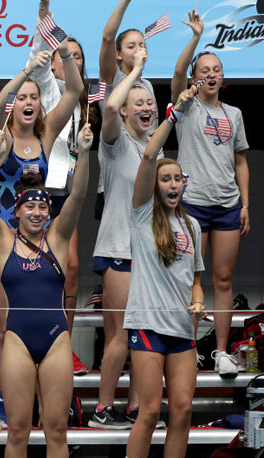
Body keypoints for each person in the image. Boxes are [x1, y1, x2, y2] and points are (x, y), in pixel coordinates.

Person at [0, 123, 94, 458]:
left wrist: (84, 154)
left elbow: (77, 195)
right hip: (18, 342)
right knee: (18, 430)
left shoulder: (58, 236)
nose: (38, 212)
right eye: (30, 207)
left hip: (56, 339)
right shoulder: (2, 239)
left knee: (57, 430)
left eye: (43, 207)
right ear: (17, 210)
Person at [0, 44, 82, 436]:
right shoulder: (0, 138)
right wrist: (23, 74)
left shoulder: (47, 134)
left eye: (33, 97)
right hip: (3, 238)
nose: (27, 101)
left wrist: (65, 55)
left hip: (40, 236)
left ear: (41, 103)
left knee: (40, 320)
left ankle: (42, 406)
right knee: (2, 326)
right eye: (22, 97)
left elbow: (73, 92)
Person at [118, 87, 204, 458]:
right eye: (167, 179)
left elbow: (195, 280)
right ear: (156, 183)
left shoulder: (190, 224)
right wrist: (175, 113)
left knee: (183, 409)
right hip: (147, 324)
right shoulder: (140, 213)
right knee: (149, 409)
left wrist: (198, 300)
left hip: (181, 331)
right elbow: (150, 155)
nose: (172, 184)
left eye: (178, 179)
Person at [170, 11, 250, 379]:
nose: (212, 74)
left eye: (216, 69)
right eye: (205, 69)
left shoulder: (233, 113)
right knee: (189, 277)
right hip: (192, 204)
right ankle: (185, 346)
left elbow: (241, 162)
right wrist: (195, 39)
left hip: (228, 206)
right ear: (195, 77)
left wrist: (245, 204)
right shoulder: (186, 106)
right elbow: (176, 75)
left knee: (222, 280)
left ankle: (219, 351)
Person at [90, 48, 156, 430]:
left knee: (142, 335)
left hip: (147, 253)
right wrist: (135, 72)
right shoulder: (113, 142)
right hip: (117, 248)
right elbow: (110, 108)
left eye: (150, 102)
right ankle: (101, 409)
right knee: (119, 335)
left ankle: (134, 410)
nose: (146, 107)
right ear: (129, 111)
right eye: (139, 103)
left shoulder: (153, 146)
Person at [28, 0, 93, 365]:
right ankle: (30, 340)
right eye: (66, 54)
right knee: (34, 267)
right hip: (39, 190)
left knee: (70, 268)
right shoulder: (48, 86)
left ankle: (63, 344)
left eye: (78, 56)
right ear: (54, 63)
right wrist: (42, 21)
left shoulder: (85, 102)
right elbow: (38, 53)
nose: (72, 59)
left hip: (65, 189)